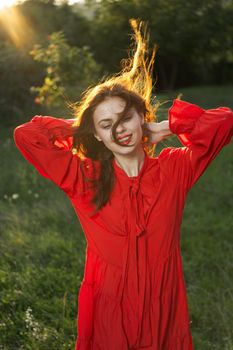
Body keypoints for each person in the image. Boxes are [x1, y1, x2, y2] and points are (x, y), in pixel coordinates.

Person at [13, 18, 233, 350]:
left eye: (125, 117)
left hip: (162, 307)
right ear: (97, 134)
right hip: (108, 309)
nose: (120, 130)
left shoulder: (174, 170)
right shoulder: (84, 178)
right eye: (107, 125)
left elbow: (224, 123)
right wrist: (83, 126)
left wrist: (166, 127)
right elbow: (27, 136)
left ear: (139, 117)